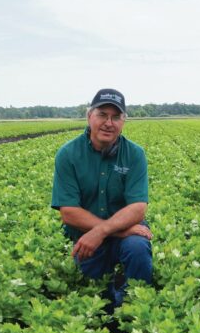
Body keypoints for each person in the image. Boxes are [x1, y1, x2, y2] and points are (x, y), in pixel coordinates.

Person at [51, 88, 152, 307]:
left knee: (137, 248)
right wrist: (109, 230)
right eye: (102, 115)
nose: (109, 122)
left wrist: (103, 231)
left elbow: (137, 208)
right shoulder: (68, 154)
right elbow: (68, 212)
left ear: (123, 121)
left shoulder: (135, 154)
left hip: (123, 234)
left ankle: (134, 308)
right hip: (87, 237)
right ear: (89, 117)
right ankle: (111, 304)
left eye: (116, 117)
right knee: (96, 300)